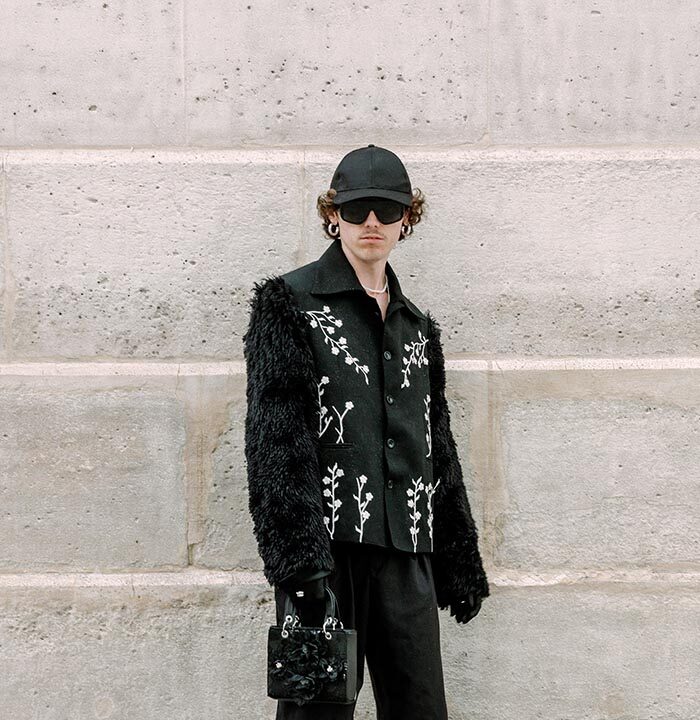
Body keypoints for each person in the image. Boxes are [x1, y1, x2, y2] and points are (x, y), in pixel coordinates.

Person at [243, 144, 489, 720]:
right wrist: (300, 569)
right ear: (334, 216)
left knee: (421, 710)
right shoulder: (291, 303)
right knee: (316, 715)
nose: (371, 222)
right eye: (356, 209)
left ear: (407, 219)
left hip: (408, 551)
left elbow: (437, 444)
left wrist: (458, 557)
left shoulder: (417, 326)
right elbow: (275, 441)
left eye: (387, 209)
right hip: (327, 555)